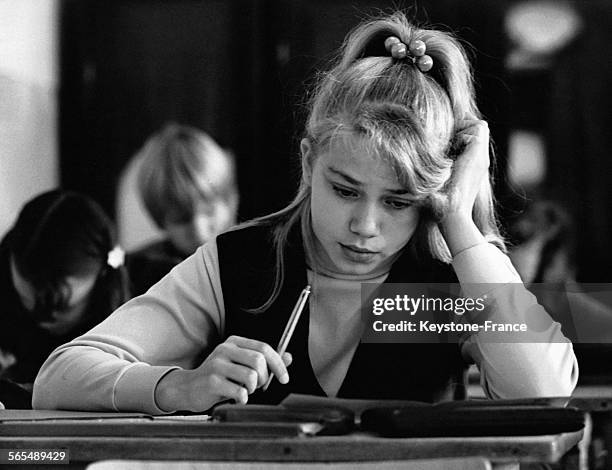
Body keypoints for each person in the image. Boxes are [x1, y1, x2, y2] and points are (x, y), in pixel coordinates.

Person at [33, 12, 577, 414]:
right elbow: (56, 379)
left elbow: (544, 394)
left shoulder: (450, 284)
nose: (365, 227)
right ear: (307, 162)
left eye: (397, 202)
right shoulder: (238, 262)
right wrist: (177, 385)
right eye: (344, 190)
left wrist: (461, 223)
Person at [0, 189, 129, 407]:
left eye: (60, 307)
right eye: (27, 300)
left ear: (101, 275)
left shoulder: (151, 292)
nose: (41, 318)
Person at [126, 123, 239, 295]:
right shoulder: (142, 273)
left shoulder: (245, 258)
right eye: (182, 219)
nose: (199, 231)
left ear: (229, 200)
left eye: (209, 211)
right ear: (160, 221)